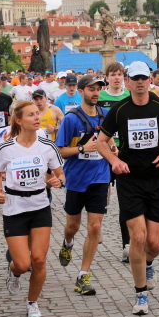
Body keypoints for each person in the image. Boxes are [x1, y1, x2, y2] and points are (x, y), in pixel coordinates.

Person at [97, 61, 159, 315]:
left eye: (144, 78)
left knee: (154, 244)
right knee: (138, 238)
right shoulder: (119, 109)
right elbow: (101, 142)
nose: (140, 82)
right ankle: (140, 293)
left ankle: (149, 262)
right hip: (129, 179)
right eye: (135, 78)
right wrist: (114, 161)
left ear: (149, 80)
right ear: (128, 81)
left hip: (156, 179)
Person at [0, 101, 65, 317]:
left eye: (37, 114)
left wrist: (58, 181)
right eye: (31, 115)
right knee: (23, 264)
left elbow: (60, 173)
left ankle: (32, 303)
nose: (37, 118)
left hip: (40, 207)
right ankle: (14, 271)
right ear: (19, 121)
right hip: (14, 208)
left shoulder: (47, 146)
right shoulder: (7, 148)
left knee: (39, 260)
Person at [55, 75, 114, 295]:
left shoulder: (105, 115)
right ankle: (68, 242)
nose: (96, 93)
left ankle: (83, 275)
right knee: (73, 226)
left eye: (98, 89)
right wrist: (82, 149)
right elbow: (60, 151)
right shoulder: (71, 119)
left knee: (95, 227)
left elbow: (108, 139)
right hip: (76, 179)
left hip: (100, 177)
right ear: (81, 91)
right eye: (91, 89)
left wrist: (112, 148)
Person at [97, 62, 131, 261]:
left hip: (124, 151)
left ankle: (127, 244)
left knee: (126, 200)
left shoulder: (129, 96)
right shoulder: (100, 97)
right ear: (107, 78)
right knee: (102, 194)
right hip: (104, 152)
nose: (117, 78)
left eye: (120, 74)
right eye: (113, 74)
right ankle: (97, 225)